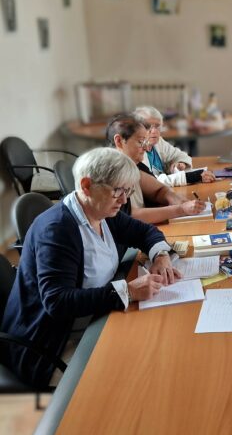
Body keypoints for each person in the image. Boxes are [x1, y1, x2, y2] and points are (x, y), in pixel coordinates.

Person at [0, 148, 181, 388]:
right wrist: (126, 291)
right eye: (118, 190)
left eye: (128, 191)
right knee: (139, 375)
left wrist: (161, 256)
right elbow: (57, 302)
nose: (124, 199)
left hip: (94, 319)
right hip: (52, 344)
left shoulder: (103, 210)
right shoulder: (57, 231)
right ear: (86, 186)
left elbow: (144, 231)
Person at [106, 113, 206, 224]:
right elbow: (130, 217)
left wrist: (179, 200)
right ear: (119, 141)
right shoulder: (111, 173)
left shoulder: (135, 166)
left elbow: (160, 190)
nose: (146, 147)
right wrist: (181, 209)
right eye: (140, 142)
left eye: (145, 141)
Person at [132, 105, 216, 187]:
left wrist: (180, 163)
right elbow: (152, 182)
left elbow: (181, 155)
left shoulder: (159, 142)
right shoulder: (135, 151)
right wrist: (193, 176)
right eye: (148, 126)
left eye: (157, 126)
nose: (154, 131)